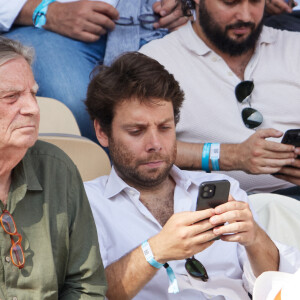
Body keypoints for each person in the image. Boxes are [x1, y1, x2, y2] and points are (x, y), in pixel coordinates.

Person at [84, 52, 300, 300]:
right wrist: (155, 251)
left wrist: (255, 239)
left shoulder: (223, 187)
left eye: (165, 128)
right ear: (102, 132)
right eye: (136, 131)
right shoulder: (87, 203)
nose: (155, 143)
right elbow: (90, 293)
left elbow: (273, 285)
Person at [139, 0, 300, 196]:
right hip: (221, 213)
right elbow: (136, 147)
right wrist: (230, 156)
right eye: (230, 2)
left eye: (256, 1)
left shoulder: (294, 45)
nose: (246, 16)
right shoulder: (155, 61)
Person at [0, 36, 106, 299]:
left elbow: (86, 287)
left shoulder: (57, 170)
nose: (33, 108)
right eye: (12, 97)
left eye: (33, 93)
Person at [0, 0, 187, 143]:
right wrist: (44, 11)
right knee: (77, 105)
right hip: (49, 23)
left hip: (157, 19)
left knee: (180, 105)